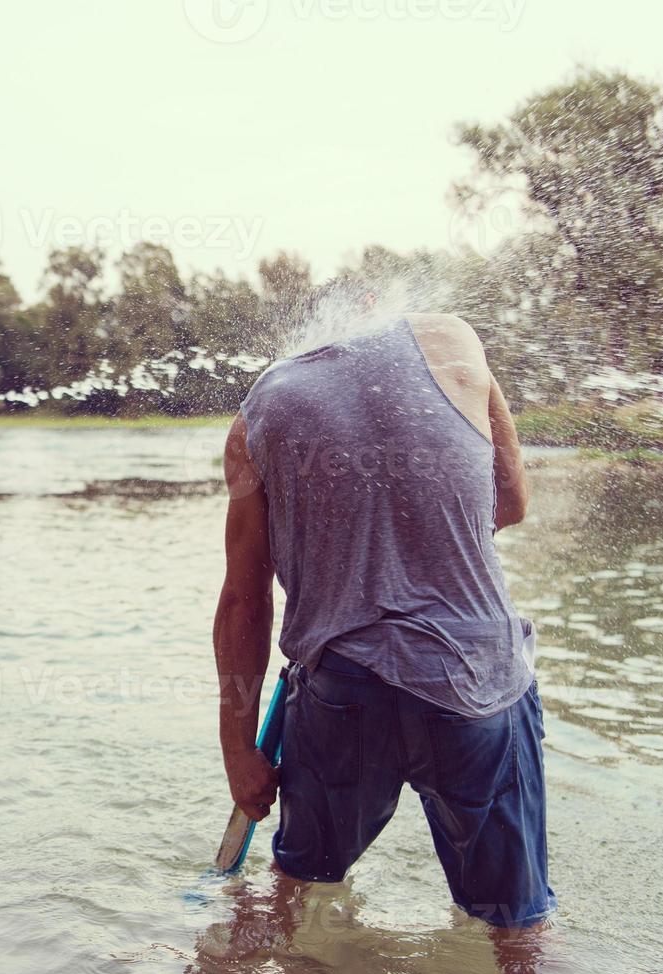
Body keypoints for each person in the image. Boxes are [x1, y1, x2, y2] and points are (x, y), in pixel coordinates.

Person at [213, 310, 555, 939]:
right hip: (476, 685)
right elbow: (509, 502)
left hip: (341, 691)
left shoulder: (254, 418)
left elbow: (244, 599)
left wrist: (238, 748)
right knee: (516, 930)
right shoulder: (453, 337)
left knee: (298, 899)